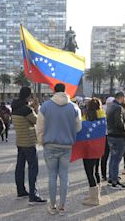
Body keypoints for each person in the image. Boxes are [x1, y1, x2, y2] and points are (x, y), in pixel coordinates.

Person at [36, 83, 82, 215]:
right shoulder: (74, 107)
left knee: (51, 176)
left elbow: (39, 127)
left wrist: (41, 141)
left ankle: (52, 205)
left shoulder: (45, 106)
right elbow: (78, 127)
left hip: (50, 145)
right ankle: (62, 206)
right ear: (65, 91)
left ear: (54, 91)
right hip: (67, 145)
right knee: (64, 175)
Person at [11, 87, 47, 205]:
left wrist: (32, 107)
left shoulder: (15, 107)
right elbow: (37, 121)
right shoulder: (26, 109)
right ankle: (33, 195)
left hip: (20, 141)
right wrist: (36, 108)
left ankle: (21, 191)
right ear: (28, 96)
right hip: (29, 142)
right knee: (33, 168)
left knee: (19, 167)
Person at [81, 98, 105, 206]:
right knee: (96, 170)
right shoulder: (103, 116)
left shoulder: (86, 117)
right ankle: (96, 195)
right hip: (99, 147)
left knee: (89, 172)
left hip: (88, 148)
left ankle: (94, 199)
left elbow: (80, 130)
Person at [106, 91, 125, 190]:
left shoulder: (110, 106)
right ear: (122, 97)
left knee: (112, 159)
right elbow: (119, 123)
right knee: (116, 159)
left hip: (110, 135)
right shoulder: (118, 107)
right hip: (118, 136)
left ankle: (111, 178)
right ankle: (115, 181)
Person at [100, 97, 114, 181]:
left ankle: (104, 174)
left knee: (105, 157)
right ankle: (109, 174)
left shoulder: (102, 109)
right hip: (109, 135)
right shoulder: (112, 109)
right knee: (110, 156)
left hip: (105, 135)